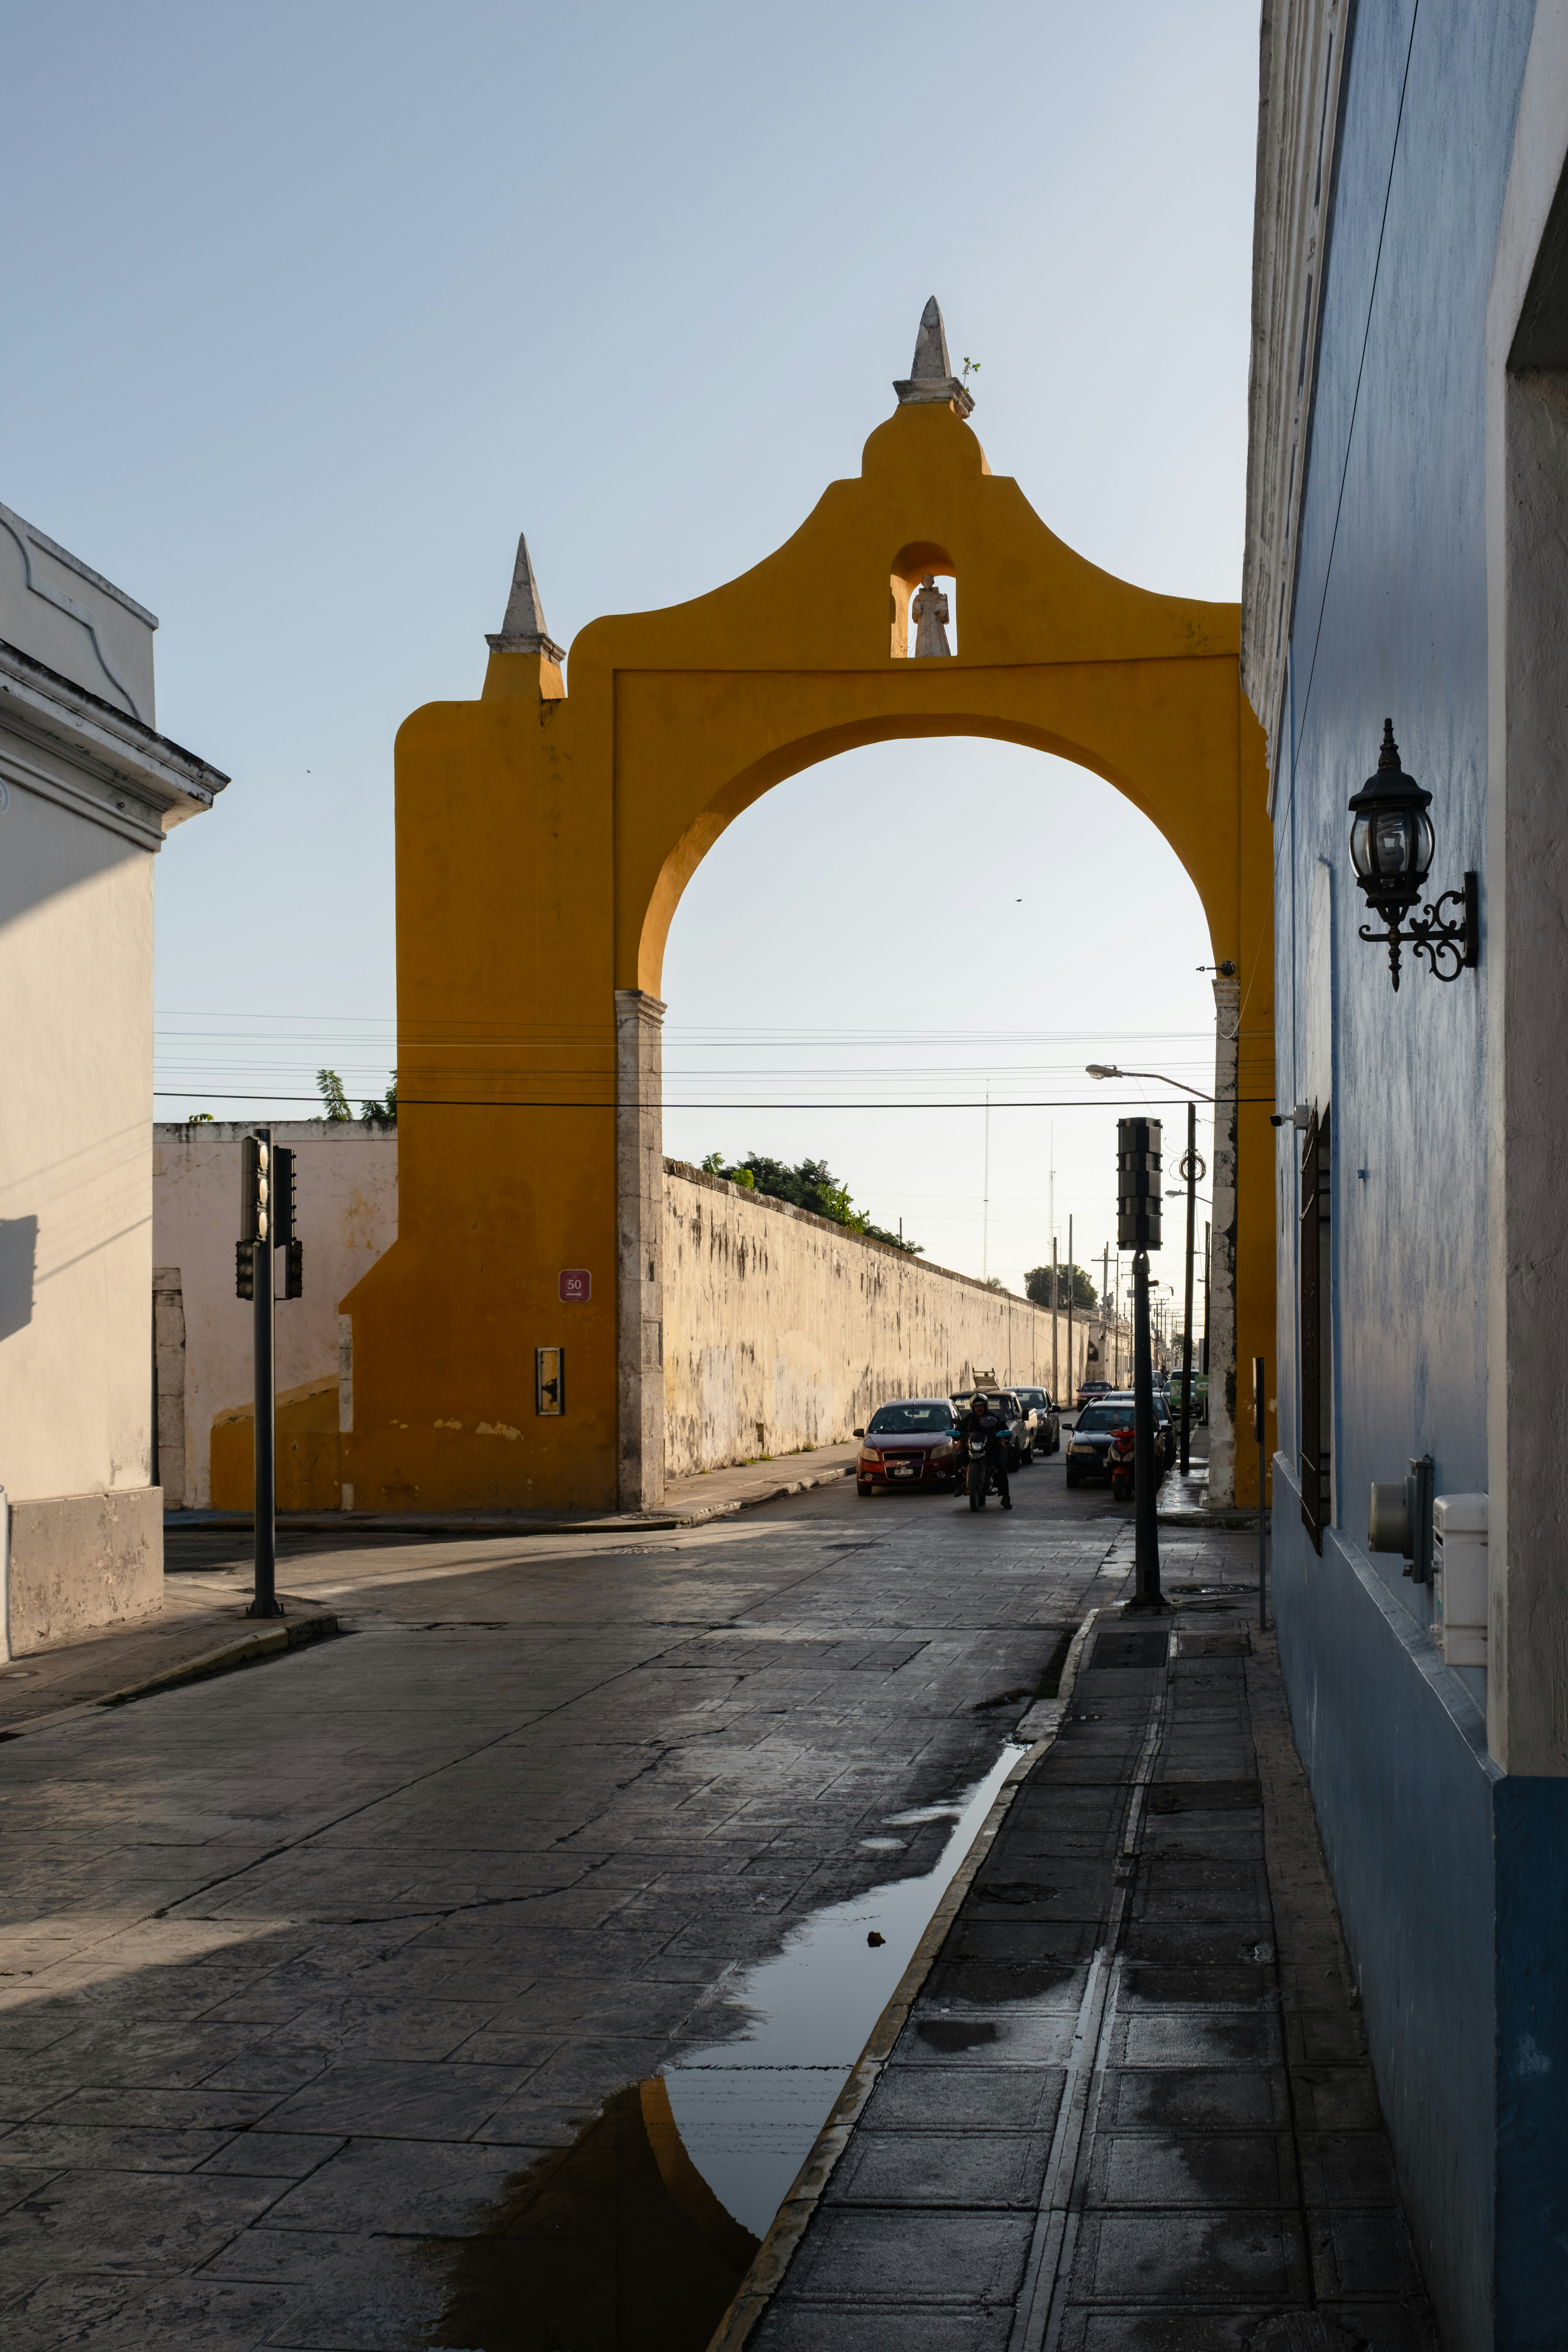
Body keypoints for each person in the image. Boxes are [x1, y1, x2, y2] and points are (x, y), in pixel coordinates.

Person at [958, 1390, 1012, 1509]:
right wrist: (959, 1440)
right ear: (973, 1408)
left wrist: (1003, 1438)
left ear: (985, 1406)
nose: (979, 1409)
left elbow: (1004, 1429)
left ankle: (1006, 1497)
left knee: (1000, 1466)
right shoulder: (969, 1420)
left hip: (990, 1447)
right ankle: (959, 1486)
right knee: (959, 1458)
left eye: (981, 1406)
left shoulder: (993, 1417)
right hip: (972, 1448)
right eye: (976, 1407)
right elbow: (959, 1430)